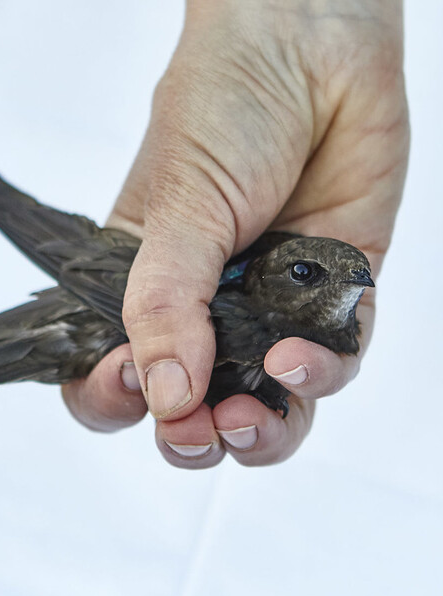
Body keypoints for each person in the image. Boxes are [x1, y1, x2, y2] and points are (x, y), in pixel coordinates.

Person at [61, 0, 410, 467]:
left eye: (358, 274)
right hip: (119, 298)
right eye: (306, 272)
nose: (352, 282)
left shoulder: (326, 334)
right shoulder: (257, 326)